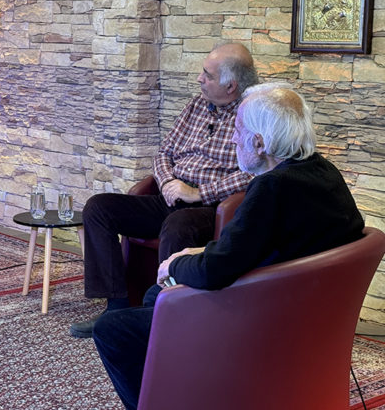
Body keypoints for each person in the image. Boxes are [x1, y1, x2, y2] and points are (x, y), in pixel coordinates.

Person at [92, 84, 365, 410]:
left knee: (113, 328)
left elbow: (214, 271)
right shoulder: (323, 172)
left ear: (259, 143)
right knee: (155, 297)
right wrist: (198, 252)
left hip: (257, 323)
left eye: (238, 130)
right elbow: (259, 246)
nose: (234, 139)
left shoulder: (271, 188)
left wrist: (172, 265)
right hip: (305, 315)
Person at [70, 42, 259, 338]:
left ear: (231, 86)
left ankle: (160, 316)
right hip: (170, 196)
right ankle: (116, 306)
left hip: (210, 208)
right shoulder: (197, 105)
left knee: (177, 224)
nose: (199, 79)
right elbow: (164, 153)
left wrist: (200, 193)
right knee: (98, 208)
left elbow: (255, 173)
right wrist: (168, 182)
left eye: (207, 75)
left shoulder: (253, 114)